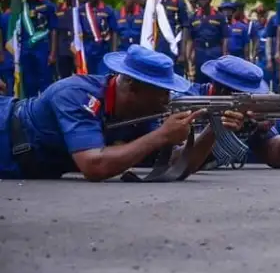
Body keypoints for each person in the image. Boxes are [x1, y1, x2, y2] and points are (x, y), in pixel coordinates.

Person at [0, 44, 244, 181]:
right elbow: (94, 166)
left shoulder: (136, 111)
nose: (167, 99)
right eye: (161, 92)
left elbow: (178, 164)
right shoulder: (76, 94)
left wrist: (214, 129)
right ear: (132, 87)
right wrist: (161, 135)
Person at [183, 55, 280, 168]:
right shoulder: (188, 102)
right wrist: (216, 129)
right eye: (249, 95)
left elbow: (278, 156)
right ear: (221, 90)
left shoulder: (249, 114)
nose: (254, 101)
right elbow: (177, 158)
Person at [19, 0, 57, 97]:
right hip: (26, 48)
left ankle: (45, 111)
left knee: (45, 82)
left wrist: (53, 53)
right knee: (28, 83)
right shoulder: (21, 6)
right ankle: (30, 111)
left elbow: (53, 30)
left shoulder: (48, 6)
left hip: (43, 48)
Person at [187, 0, 229, 84]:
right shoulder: (193, 17)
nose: (202, 2)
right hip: (200, 51)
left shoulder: (219, 17)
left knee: (215, 79)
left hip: (215, 50)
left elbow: (225, 38)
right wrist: (188, 57)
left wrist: (224, 54)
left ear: (210, 0)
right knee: (199, 79)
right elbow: (190, 39)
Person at [79, 0, 118, 75]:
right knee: (88, 76)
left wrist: (113, 52)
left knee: (103, 76)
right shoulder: (81, 10)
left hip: (103, 48)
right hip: (86, 46)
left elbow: (114, 32)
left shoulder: (108, 10)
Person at [157, 0, 190, 76]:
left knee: (175, 75)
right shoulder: (156, 2)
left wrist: (183, 53)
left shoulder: (179, 2)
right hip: (158, 44)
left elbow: (185, 26)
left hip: (174, 45)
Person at [55, 0, 74, 80]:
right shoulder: (58, 8)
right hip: (63, 49)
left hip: (77, 47)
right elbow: (55, 30)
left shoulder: (81, 8)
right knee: (64, 78)